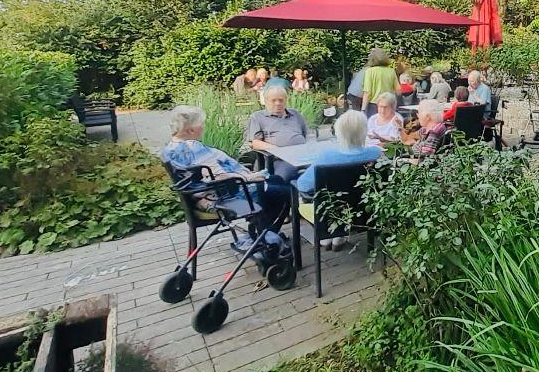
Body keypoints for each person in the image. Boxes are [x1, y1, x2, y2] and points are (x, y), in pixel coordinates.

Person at [162, 105, 291, 228]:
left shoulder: (170, 149)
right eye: (201, 123)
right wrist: (248, 177)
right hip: (225, 200)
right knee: (285, 192)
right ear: (191, 130)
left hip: (201, 197)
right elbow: (220, 176)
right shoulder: (193, 148)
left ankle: (260, 230)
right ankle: (265, 235)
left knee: (276, 180)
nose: (203, 126)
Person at [294, 110, 382, 250]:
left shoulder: (327, 157)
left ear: (338, 132)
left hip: (329, 213)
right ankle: (337, 237)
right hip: (364, 212)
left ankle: (328, 236)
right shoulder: (376, 153)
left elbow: (303, 186)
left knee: (303, 194)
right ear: (364, 131)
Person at [246, 85, 308, 181]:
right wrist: (279, 152)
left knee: (321, 169)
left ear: (286, 100)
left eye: (281, 100)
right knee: (285, 176)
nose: (278, 103)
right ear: (266, 101)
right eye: (273, 100)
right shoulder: (258, 117)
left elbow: (305, 136)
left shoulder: (295, 114)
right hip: (278, 160)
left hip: (301, 156)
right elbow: (255, 143)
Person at [362, 48, 400, 119]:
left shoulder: (369, 71)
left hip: (373, 105)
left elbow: (367, 92)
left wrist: (363, 109)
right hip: (388, 104)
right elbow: (398, 90)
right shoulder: (391, 71)